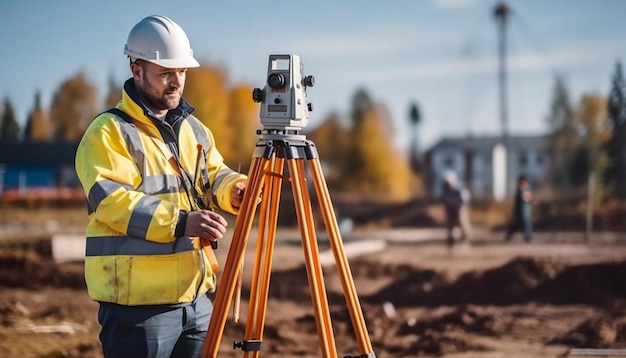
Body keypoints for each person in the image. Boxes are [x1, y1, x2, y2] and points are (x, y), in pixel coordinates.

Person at [74, 15, 248, 358]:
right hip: (139, 308)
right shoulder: (108, 132)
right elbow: (113, 202)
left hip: (196, 301)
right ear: (136, 70)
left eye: (181, 72)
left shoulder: (194, 129)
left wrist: (235, 189)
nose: (176, 82)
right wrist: (182, 222)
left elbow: (213, 174)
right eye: (165, 73)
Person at [441, 171, 472, 248]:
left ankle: (465, 240)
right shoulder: (445, 189)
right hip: (450, 209)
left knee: (463, 224)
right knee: (449, 225)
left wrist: (460, 205)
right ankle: (450, 241)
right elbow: (444, 198)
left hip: (459, 209)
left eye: (448, 182)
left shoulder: (459, 188)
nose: (447, 184)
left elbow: (464, 199)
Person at [505, 174, 533, 243]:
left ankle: (527, 237)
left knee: (520, 226)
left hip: (525, 213)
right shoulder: (519, 192)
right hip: (520, 213)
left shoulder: (524, 191)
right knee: (524, 226)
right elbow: (526, 198)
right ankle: (527, 238)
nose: (525, 183)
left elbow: (529, 199)